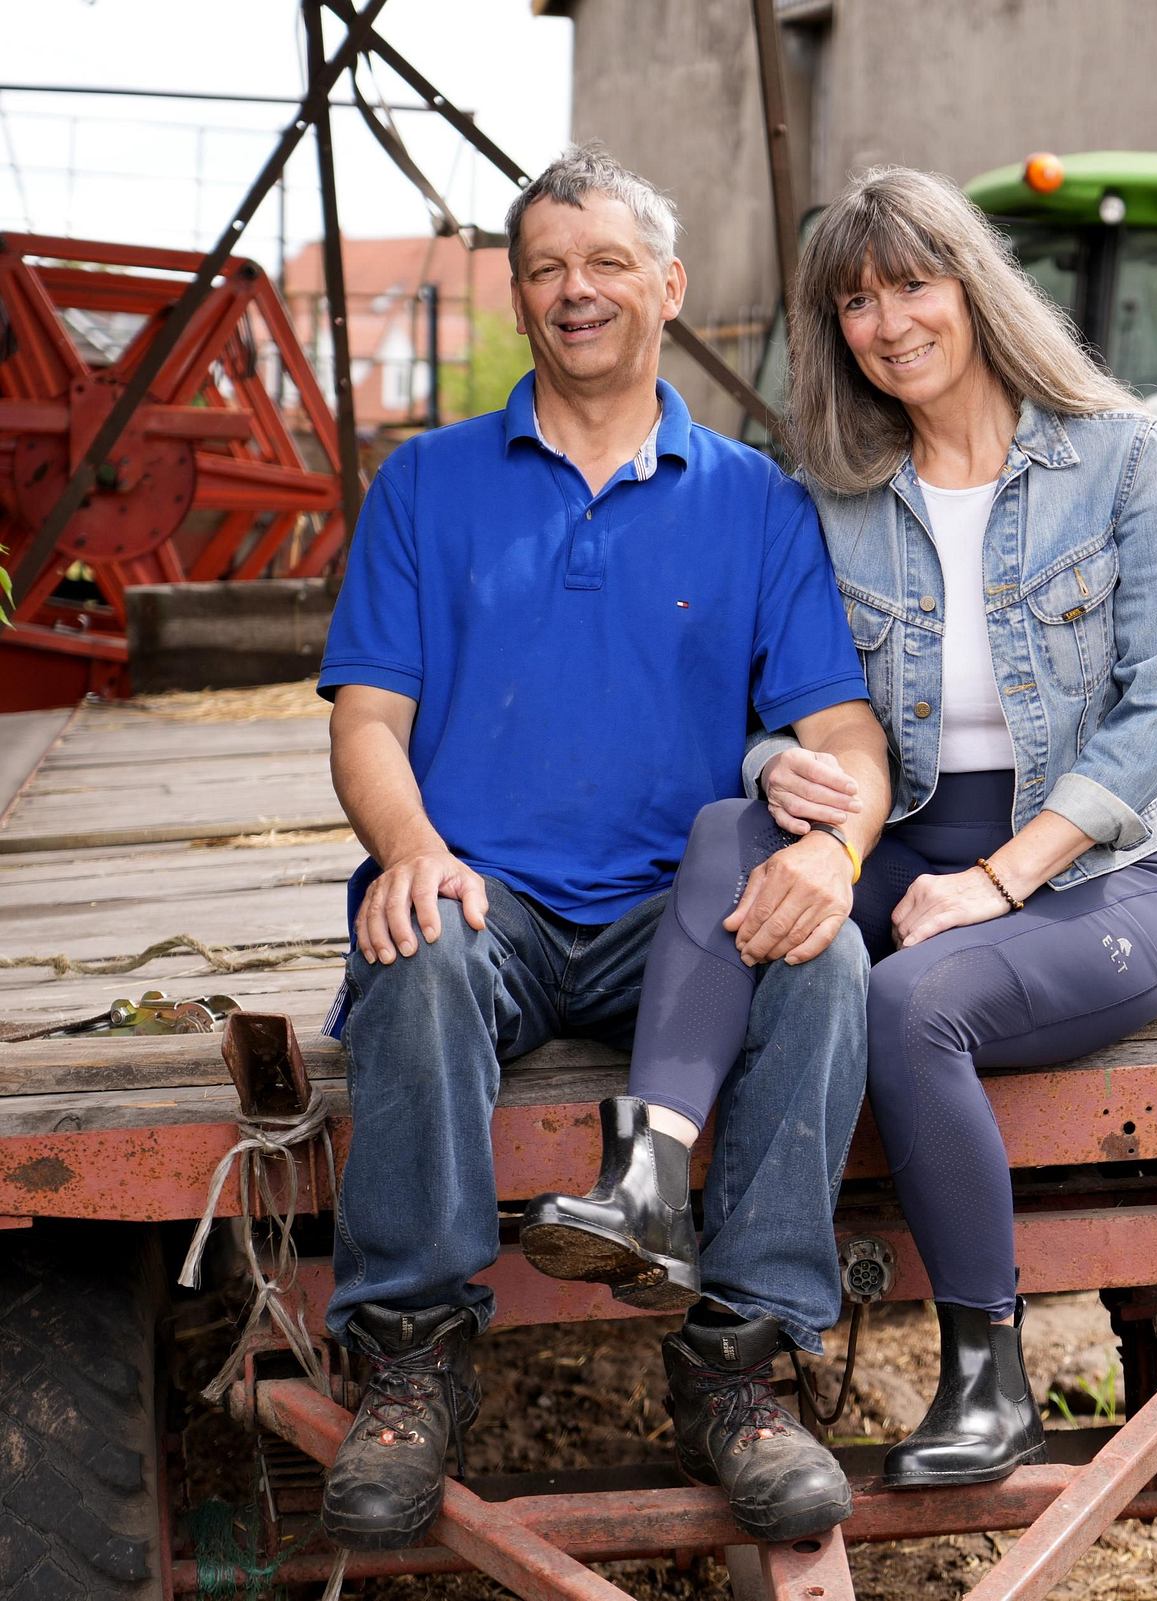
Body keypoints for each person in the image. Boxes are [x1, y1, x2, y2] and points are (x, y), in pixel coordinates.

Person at [314, 143, 889, 1552]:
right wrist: (405, 845)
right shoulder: (428, 484)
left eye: (609, 263)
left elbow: (850, 737)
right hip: (485, 894)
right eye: (549, 269)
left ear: (669, 287)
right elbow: (366, 720)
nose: (579, 292)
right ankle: (413, 1361)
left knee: (825, 962)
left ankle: (742, 1370)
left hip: (670, 923)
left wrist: (840, 853)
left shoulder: (755, 499)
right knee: (420, 946)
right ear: (520, 298)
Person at [758, 166, 1157, 1488]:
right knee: (734, 853)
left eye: (912, 282)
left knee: (914, 1006)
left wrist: (997, 882)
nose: (888, 321)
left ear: (974, 286)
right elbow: (762, 692)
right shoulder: (835, 488)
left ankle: (987, 1374)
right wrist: (781, 765)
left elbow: (1155, 717)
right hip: (901, 832)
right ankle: (700, 1263)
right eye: (853, 301)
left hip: (1097, 872)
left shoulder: (1123, 457)